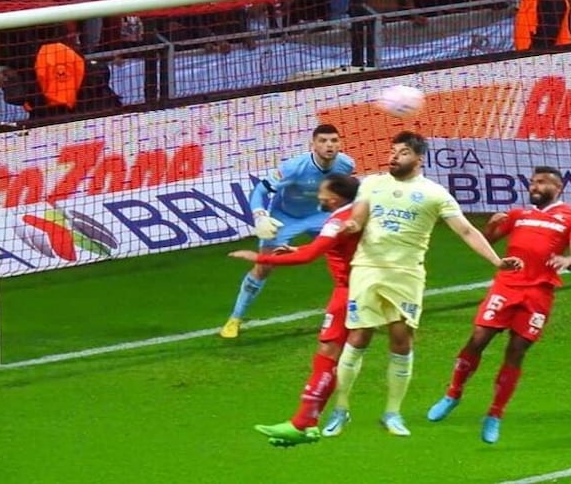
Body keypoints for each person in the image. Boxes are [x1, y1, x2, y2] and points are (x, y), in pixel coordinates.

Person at [321, 131, 521, 438]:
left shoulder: (434, 193)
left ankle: (392, 413)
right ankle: (341, 410)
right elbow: (358, 218)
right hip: (367, 269)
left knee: (401, 340)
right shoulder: (372, 184)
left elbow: (466, 231)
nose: (393, 156)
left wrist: (497, 261)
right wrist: (351, 225)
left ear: (418, 159)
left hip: (406, 275)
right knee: (358, 336)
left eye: (401, 152)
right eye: (392, 151)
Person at [425, 166, 571, 444]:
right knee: (478, 338)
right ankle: (453, 393)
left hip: (539, 293)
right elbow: (487, 242)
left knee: (517, 350)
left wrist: (569, 261)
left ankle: (494, 414)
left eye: (542, 183)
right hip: (506, 286)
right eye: (533, 182)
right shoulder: (518, 215)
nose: (534, 187)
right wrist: (490, 226)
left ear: (558, 187)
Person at [228, 174, 361, 447]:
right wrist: (297, 247)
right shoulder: (353, 213)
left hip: (350, 294)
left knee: (327, 355)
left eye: (323, 192)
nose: (318, 196)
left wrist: (259, 257)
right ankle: (309, 423)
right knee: (332, 357)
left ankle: (303, 424)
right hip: (358, 290)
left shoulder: (337, 221)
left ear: (334, 197)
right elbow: (325, 248)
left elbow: (309, 256)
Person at [219, 124, 355, 338]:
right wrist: (260, 215)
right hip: (286, 217)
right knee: (264, 266)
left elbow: (347, 194)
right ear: (313, 145)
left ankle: (359, 311)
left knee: (351, 258)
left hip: (320, 215)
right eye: (323, 141)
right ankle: (234, 319)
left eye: (334, 141)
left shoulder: (346, 165)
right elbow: (260, 190)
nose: (329, 145)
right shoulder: (294, 167)